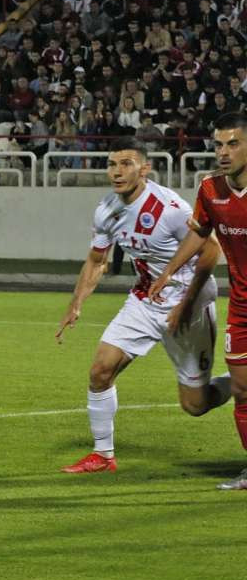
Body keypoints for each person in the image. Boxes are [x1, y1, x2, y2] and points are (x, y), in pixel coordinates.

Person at [56, 138, 228, 474]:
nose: (116, 172)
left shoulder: (170, 209)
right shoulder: (106, 209)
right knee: (100, 371)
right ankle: (103, 455)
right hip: (145, 300)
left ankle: (239, 381)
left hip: (189, 303)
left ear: (144, 169)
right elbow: (97, 260)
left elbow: (210, 250)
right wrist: (76, 304)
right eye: (112, 164)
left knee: (196, 404)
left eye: (126, 164)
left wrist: (186, 303)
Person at [149, 114, 247, 489]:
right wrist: (169, 271)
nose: (223, 152)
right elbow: (199, 234)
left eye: (233, 143)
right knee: (241, 389)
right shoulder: (210, 189)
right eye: (218, 144)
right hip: (241, 307)